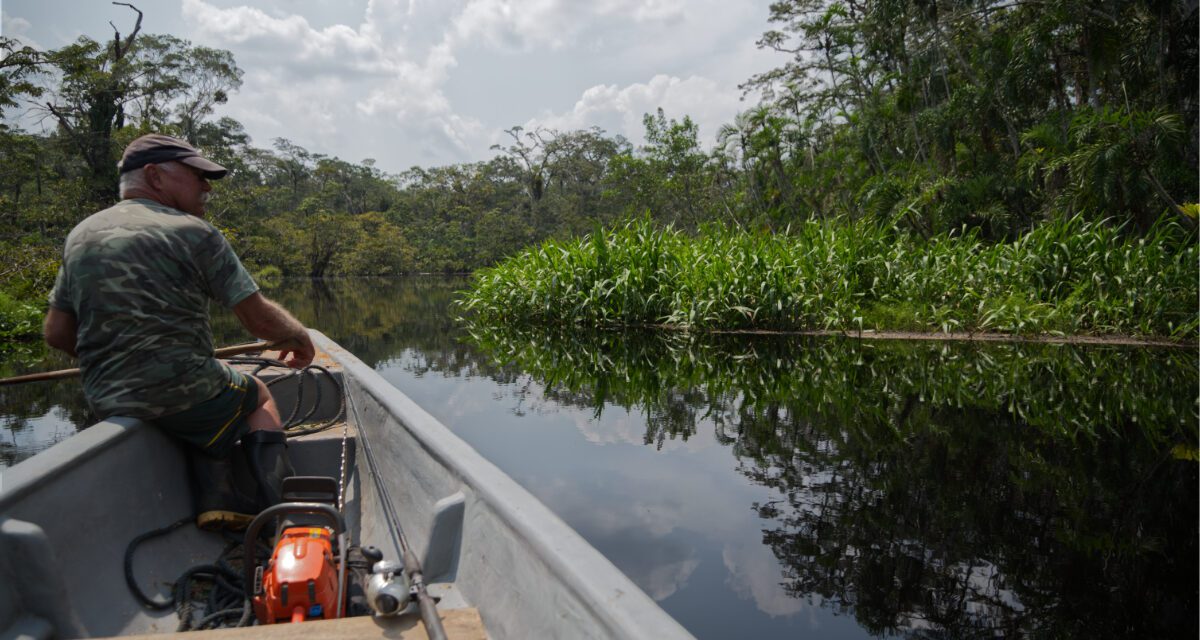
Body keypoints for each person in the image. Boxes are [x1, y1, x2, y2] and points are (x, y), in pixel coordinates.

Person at [42, 133, 316, 529]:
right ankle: (283, 511)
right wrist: (299, 335)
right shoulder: (194, 232)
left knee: (205, 402)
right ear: (154, 176)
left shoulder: (81, 235)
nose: (206, 188)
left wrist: (121, 361)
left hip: (108, 396)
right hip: (186, 392)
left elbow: (55, 333)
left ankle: (218, 496)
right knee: (254, 396)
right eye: (196, 176)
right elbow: (260, 322)